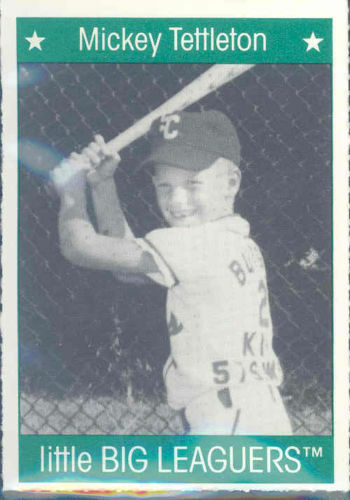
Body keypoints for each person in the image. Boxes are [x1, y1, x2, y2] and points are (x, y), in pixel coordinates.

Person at [51, 110, 292, 435]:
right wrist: (102, 183)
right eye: (165, 186)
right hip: (253, 411)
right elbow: (128, 270)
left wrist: (71, 191)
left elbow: (80, 247)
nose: (177, 200)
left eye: (193, 183)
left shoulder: (197, 244)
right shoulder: (235, 240)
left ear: (231, 183)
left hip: (227, 421)